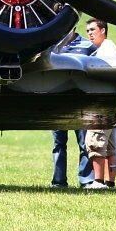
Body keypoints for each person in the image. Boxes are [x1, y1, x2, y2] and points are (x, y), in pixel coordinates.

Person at [50, 32, 96, 188]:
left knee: (84, 144)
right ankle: (58, 181)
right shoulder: (50, 46)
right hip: (58, 104)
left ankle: (86, 179)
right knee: (58, 144)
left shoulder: (88, 46)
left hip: (80, 104)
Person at [84, 18, 116, 189]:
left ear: (103, 30)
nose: (90, 34)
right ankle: (110, 182)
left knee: (95, 140)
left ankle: (98, 182)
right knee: (110, 145)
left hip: (102, 104)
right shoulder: (107, 48)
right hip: (112, 103)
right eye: (88, 31)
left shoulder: (106, 51)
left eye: (93, 30)